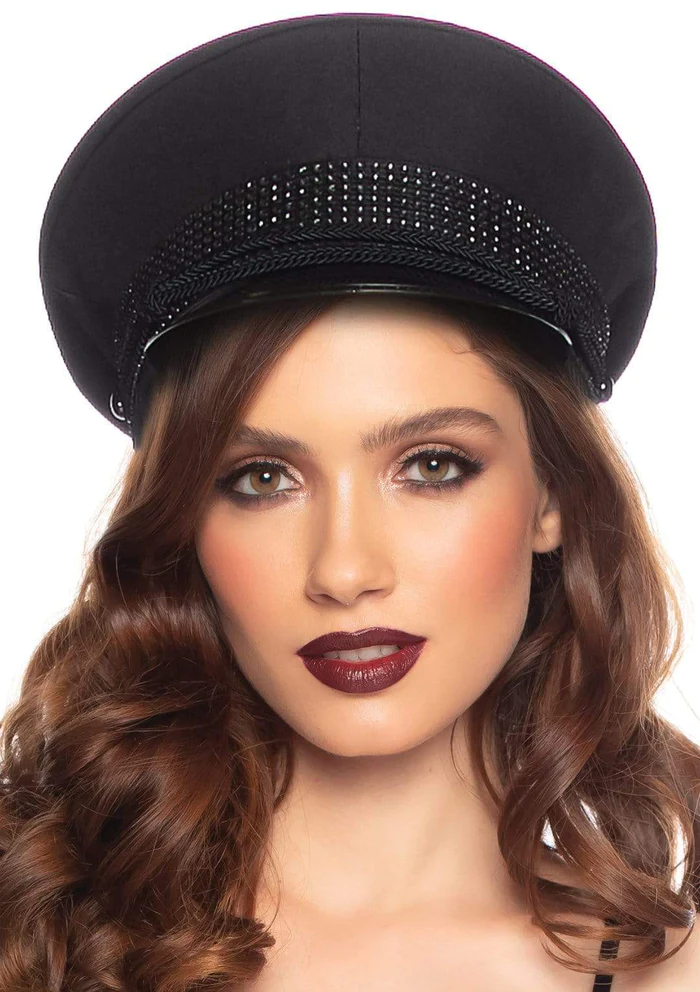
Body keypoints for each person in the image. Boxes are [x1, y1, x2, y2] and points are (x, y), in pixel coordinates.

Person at [1, 12, 698, 991]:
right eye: (260, 478)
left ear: (552, 494)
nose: (344, 569)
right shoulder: (37, 935)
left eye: (433, 466)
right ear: (183, 519)